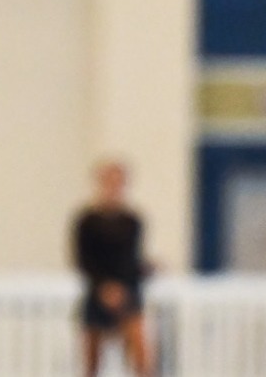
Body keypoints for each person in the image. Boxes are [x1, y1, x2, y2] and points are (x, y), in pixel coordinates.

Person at [72, 159, 152, 377]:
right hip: (98, 289)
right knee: (92, 359)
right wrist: (104, 287)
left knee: (141, 354)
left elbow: (131, 258)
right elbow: (83, 259)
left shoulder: (132, 220)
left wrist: (122, 286)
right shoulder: (87, 221)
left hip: (126, 289)